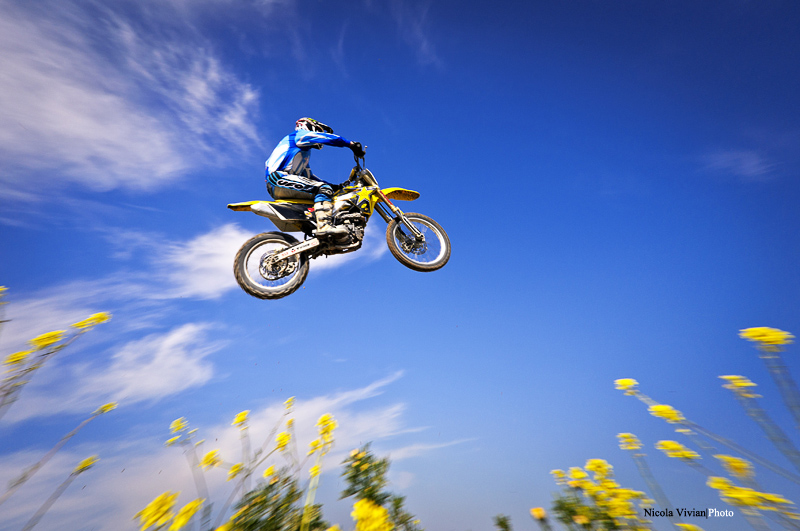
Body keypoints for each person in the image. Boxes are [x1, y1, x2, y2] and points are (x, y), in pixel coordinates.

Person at [265, 117, 365, 238]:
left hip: (283, 181)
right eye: (317, 130)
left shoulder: (303, 152)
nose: (318, 133)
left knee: (324, 191)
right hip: (278, 178)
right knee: (323, 189)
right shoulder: (298, 135)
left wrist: (334, 187)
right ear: (307, 125)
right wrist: (351, 144)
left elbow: (309, 177)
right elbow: (327, 138)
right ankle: (324, 226)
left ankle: (323, 231)